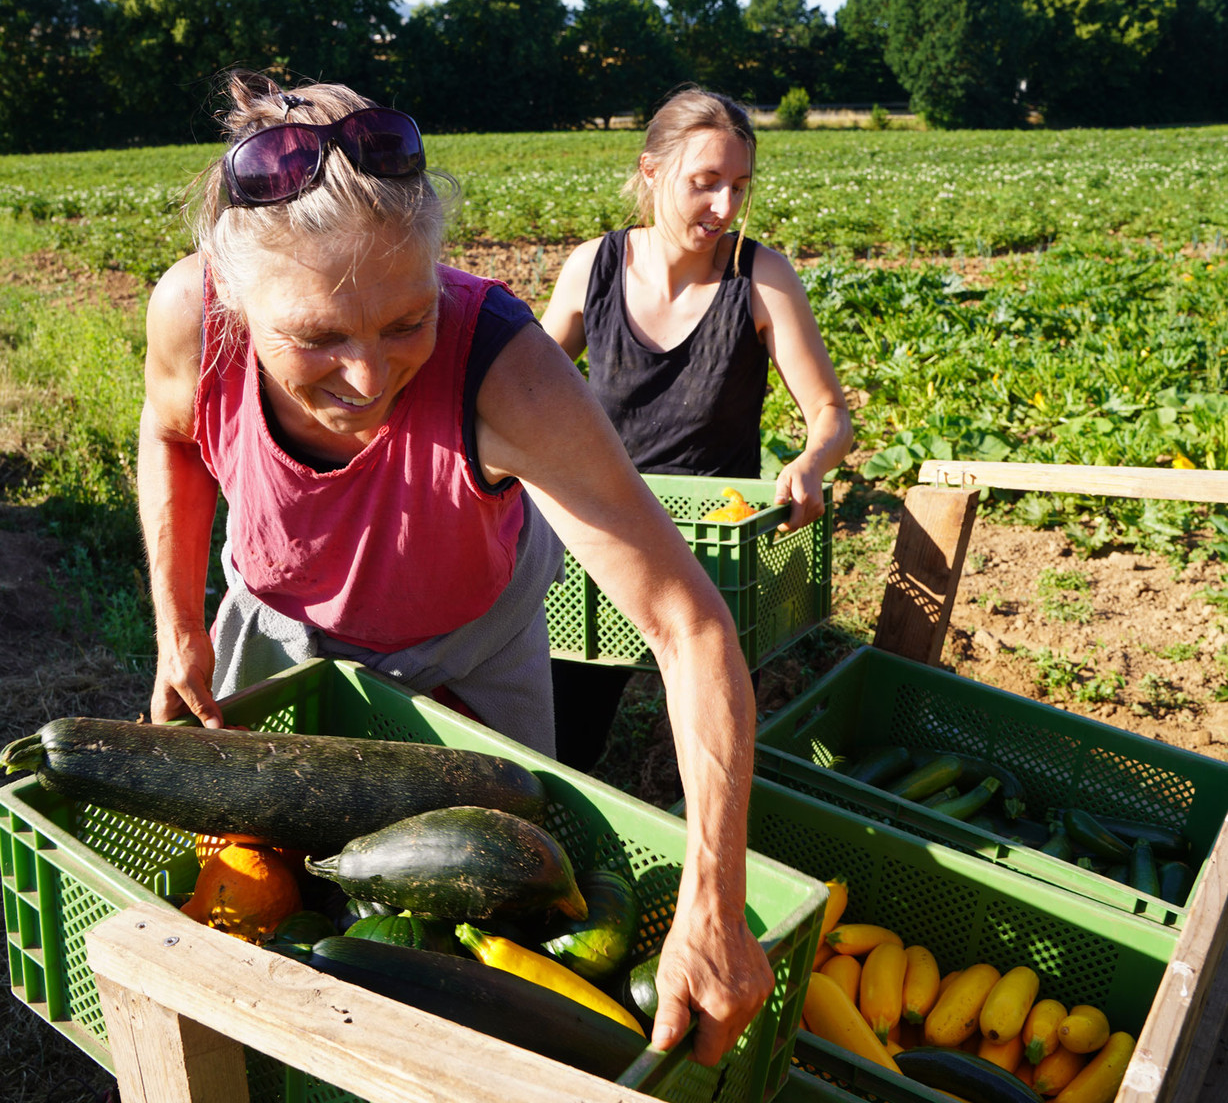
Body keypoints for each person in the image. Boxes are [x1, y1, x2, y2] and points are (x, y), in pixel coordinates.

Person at [137, 70, 772, 1067]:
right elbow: (172, 438)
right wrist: (180, 623)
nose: (367, 375)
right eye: (314, 338)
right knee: (267, 887)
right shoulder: (192, 315)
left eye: (404, 323)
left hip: (470, 648)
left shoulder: (505, 370)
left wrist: (713, 900)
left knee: (490, 914)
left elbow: (689, 628)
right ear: (235, 301)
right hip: (277, 628)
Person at [541, 87, 853, 769]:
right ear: (652, 172)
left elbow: (831, 413)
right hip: (604, 531)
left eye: (740, 187)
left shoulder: (759, 277)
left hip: (712, 545)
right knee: (568, 733)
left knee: (712, 743)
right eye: (705, 184)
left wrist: (811, 460)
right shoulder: (593, 268)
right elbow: (524, 388)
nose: (726, 209)